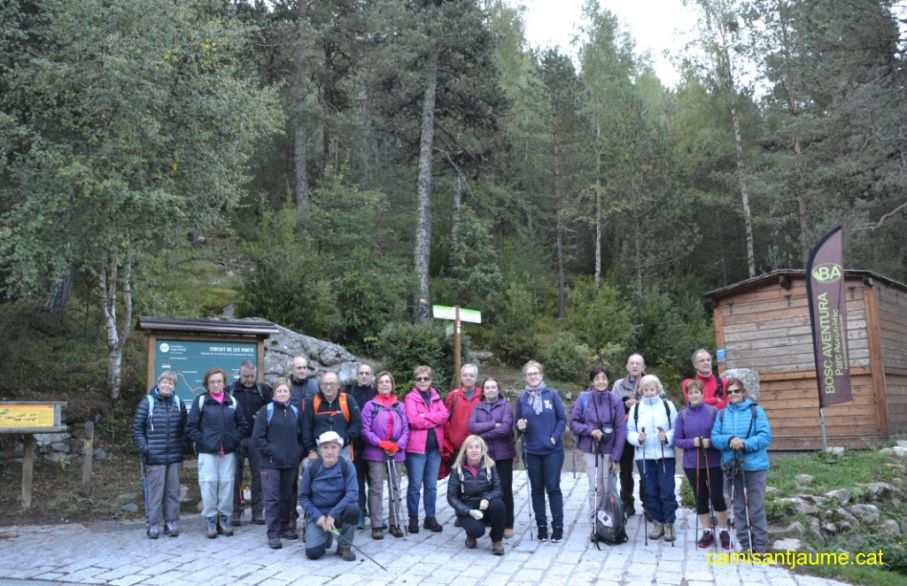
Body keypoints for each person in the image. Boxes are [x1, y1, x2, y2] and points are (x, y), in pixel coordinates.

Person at [711, 377, 772, 554]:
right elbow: (715, 437)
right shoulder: (722, 414)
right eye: (729, 392)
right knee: (738, 507)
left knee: (756, 507)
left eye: (736, 391)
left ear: (743, 392)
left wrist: (744, 444)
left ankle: (759, 546)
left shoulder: (756, 411)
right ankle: (746, 545)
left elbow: (765, 437)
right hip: (732, 467)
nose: (733, 394)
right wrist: (730, 440)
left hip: (755, 467)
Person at [186, 367, 247, 538]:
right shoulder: (201, 402)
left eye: (219, 381)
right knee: (208, 484)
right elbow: (191, 427)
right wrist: (204, 440)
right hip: (208, 453)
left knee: (227, 485)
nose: (216, 384)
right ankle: (211, 519)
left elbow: (242, 425)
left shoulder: (232, 402)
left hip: (228, 452)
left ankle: (224, 519)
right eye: (212, 382)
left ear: (224, 383)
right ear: (207, 384)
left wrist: (233, 439)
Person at [673, 379, 730, 549]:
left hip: (713, 460)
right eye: (690, 393)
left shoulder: (714, 412)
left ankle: (723, 530)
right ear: (687, 396)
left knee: (717, 495)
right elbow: (677, 440)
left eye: (696, 392)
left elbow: (722, 435)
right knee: (700, 497)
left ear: (702, 394)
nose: (694, 395)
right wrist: (693, 443)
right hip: (693, 463)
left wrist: (710, 443)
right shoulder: (682, 415)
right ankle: (707, 531)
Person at [515, 360, 567, 543]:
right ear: (525, 377)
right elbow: (518, 425)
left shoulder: (551, 395)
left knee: (553, 488)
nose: (533, 376)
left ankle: (558, 525)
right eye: (529, 374)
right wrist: (519, 426)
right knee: (537, 489)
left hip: (552, 450)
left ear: (541, 375)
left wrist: (553, 437)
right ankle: (542, 526)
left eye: (535, 373)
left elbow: (562, 419)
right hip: (532, 450)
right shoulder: (521, 399)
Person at [131, 370, 187, 539]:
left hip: (174, 456)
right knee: (156, 491)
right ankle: (153, 523)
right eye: (164, 381)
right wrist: (145, 448)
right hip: (154, 457)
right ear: (158, 383)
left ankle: (171, 522)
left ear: (174, 386)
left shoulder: (178, 403)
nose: (167, 385)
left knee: (172, 491)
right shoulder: (147, 403)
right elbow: (136, 429)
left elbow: (185, 428)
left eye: (171, 383)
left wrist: (182, 446)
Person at [627, 374, 678, 542]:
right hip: (644, 456)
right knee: (651, 491)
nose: (649, 392)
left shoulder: (667, 405)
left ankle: (669, 522)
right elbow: (630, 432)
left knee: (667, 490)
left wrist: (668, 436)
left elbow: (677, 428)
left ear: (658, 389)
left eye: (652, 389)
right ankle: (658, 522)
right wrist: (637, 438)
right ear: (641, 390)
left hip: (665, 455)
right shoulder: (635, 409)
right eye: (645, 389)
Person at [570, 364, 626, 517]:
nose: (601, 381)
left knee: (609, 485)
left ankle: (611, 520)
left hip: (609, 450)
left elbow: (621, 429)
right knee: (595, 486)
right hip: (590, 449)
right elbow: (574, 423)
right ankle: (595, 521)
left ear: (608, 380)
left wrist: (616, 456)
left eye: (604, 378)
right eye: (597, 378)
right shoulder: (584, 399)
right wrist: (590, 430)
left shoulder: (615, 400)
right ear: (592, 382)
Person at [252, 378, 302, 549]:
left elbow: (300, 436)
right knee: (272, 499)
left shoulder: (295, 411)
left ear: (290, 393)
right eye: (279, 391)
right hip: (270, 463)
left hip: (290, 463)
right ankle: (273, 533)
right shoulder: (266, 411)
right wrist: (272, 452)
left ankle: (284, 527)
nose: (282, 394)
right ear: (274, 393)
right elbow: (257, 438)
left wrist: (297, 452)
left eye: (285, 391)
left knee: (287, 498)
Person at [360, 371, 408, 539]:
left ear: (392, 384)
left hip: (396, 452)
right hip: (376, 452)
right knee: (376, 488)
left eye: (388, 382)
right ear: (377, 385)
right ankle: (377, 524)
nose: (385, 384)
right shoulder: (370, 406)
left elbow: (406, 430)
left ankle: (395, 523)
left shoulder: (399, 406)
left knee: (395, 487)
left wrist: (398, 445)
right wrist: (380, 443)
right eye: (381, 382)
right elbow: (365, 430)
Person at [298, 431, 360, 561]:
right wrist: (317, 516)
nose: (329, 452)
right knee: (313, 553)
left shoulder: (347, 466)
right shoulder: (311, 468)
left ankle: (344, 546)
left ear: (339, 449)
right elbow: (303, 497)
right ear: (320, 450)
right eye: (325, 447)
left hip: (339, 513)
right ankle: (326, 535)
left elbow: (352, 494)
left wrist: (332, 514)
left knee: (354, 509)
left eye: (333, 447)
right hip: (319, 515)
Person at [468, 377, 515, 538]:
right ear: (483, 390)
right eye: (487, 388)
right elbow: (472, 426)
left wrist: (483, 434)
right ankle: (488, 519)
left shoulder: (506, 406)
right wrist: (493, 424)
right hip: (485, 455)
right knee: (485, 488)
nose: (490, 390)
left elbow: (506, 429)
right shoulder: (478, 407)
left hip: (503, 454)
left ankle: (508, 523)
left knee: (504, 489)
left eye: (493, 387)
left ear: (498, 389)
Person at [404, 365, 449, 534]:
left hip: (434, 449)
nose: (423, 381)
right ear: (415, 381)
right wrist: (434, 419)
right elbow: (413, 420)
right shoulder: (410, 398)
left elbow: (444, 416)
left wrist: (426, 416)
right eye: (419, 378)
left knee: (431, 486)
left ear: (430, 380)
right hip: (416, 450)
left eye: (426, 378)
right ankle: (413, 518)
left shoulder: (436, 396)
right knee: (415, 485)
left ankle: (430, 518)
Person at [447, 435, 506, 555]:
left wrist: (487, 498)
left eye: (477, 447)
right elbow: (451, 497)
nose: (474, 450)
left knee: (499, 504)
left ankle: (497, 541)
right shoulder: (457, 469)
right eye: (470, 447)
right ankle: (471, 535)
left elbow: (498, 489)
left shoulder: (490, 465)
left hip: (486, 505)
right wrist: (467, 511)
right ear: (465, 450)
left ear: (482, 450)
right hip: (467, 509)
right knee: (477, 531)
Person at [230, 361, 272, 526]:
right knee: (235, 476)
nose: (248, 380)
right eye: (245, 376)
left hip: (256, 439)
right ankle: (235, 511)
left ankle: (257, 511)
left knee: (258, 477)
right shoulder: (231, 390)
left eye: (252, 376)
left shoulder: (263, 390)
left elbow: (271, 410)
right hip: (237, 439)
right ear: (239, 375)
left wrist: (261, 416)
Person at [301, 371, 362, 464]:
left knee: (344, 475)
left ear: (338, 385)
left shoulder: (347, 400)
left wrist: (346, 439)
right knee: (310, 469)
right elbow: (306, 427)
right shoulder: (313, 402)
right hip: (319, 451)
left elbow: (357, 423)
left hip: (342, 449)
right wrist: (310, 450)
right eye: (325, 383)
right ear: (320, 386)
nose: (328, 387)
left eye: (332, 384)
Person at [612, 353, 646, 516]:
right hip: (624, 431)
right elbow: (610, 403)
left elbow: (662, 401)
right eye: (631, 363)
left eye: (638, 363)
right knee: (625, 470)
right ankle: (627, 503)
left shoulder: (651, 381)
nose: (634, 366)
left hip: (645, 433)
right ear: (627, 366)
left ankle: (648, 504)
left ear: (643, 367)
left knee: (645, 469)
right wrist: (624, 403)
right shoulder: (618, 385)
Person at [346, 363, 375, 529]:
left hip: (373, 446)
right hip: (355, 445)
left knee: (374, 483)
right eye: (361, 373)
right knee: (357, 483)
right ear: (357, 376)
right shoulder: (350, 394)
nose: (364, 376)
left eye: (367, 373)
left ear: (372, 376)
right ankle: (361, 514)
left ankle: (375, 514)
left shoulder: (376, 394)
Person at [441, 363, 483, 478]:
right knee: (457, 479)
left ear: (476, 377)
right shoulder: (453, 396)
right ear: (461, 377)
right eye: (465, 375)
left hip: (477, 446)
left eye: (471, 375)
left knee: (477, 479)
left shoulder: (482, 395)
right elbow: (445, 419)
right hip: (457, 447)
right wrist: (451, 437)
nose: (468, 378)